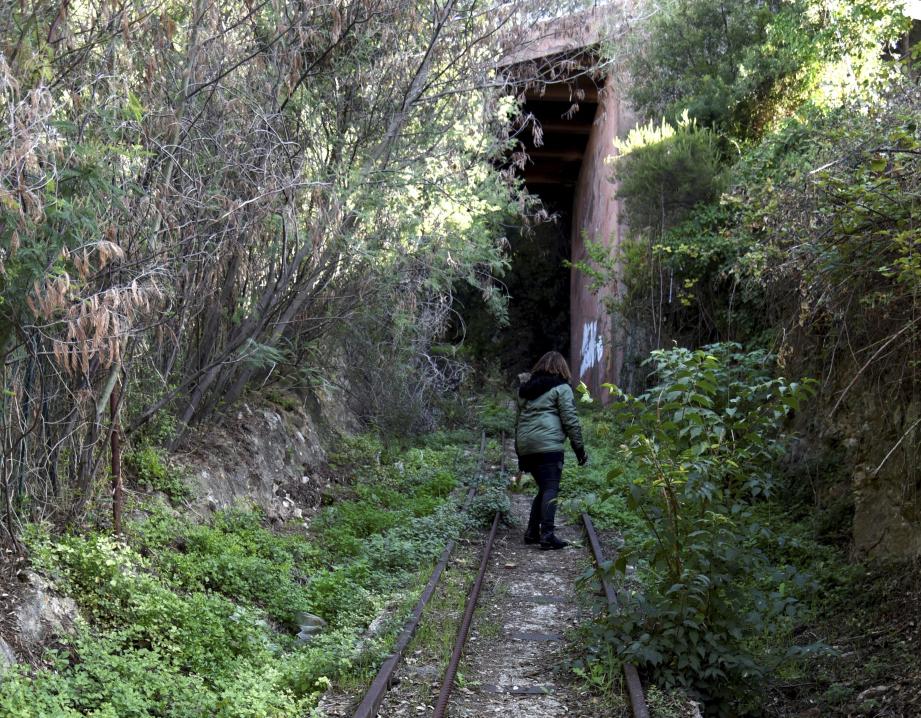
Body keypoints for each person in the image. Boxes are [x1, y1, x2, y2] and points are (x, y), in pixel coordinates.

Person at [514, 351, 588, 550]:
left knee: (545, 487)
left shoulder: (525, 389)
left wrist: (519, 452)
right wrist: (579, 449)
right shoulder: (562, 388)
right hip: (548, 446)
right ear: (562, 368)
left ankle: (532, 532)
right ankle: (547, 535)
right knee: (551, 488)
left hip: (526, 445)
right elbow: (570, 420)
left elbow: (518, 421)